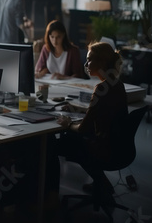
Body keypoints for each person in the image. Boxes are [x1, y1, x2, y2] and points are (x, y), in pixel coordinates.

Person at [52, 41, 128, 203]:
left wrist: (67, 124)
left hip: (102, 148)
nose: (86, 64)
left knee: (57, 142)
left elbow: (81, 129)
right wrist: (77, 109)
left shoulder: (101, 88)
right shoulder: (117, 84)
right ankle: (102, 183)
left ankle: (49, 195)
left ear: (102, 62)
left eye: (90, 60)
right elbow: (101, 111)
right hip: (118, 147)